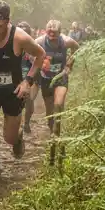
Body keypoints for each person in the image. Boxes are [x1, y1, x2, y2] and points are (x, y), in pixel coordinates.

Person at [0, 3, 44, 177]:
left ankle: (18, 137)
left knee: (10, 138)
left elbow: (40, 55)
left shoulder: (19, 37)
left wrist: (27, 81)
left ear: (8, 22)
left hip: (13, 92)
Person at [40, 19, 81, 165]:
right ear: (46, 31)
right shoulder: (40, 41)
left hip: (61, 78)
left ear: (60, 32)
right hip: (45, 80)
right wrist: (37, 62)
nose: (51, 35)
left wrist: (70, 64)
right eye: (49, 32)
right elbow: (28, 51)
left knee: (58, 107)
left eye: (55, 33)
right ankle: (58, 140)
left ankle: (56, 143)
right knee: (50, 117)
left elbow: (77, 47)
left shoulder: (66, 41)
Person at [17, 20, 38, 133]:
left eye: (25, 32)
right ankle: (18, 126)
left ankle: (26, 123)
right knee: (17, 105)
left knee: (29, 103)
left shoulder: (33, 47)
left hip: (28, 79)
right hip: (14, 79)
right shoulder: (11, 44)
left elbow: (38, 63)